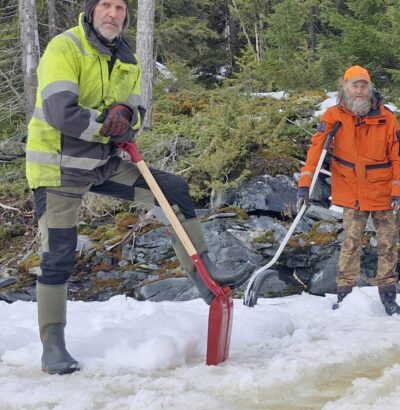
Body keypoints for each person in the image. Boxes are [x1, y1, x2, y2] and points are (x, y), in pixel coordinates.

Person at [25, 0, 251, 374]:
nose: (113, 14)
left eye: (120, 7)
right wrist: (107, 125)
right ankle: (53, 346)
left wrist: (127, 116)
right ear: (91, 10)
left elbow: (136, 114)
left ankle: (207, 278)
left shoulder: (127, 58)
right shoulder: (65, 47)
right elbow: (60, 112)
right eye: (106, 6)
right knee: (58, 255)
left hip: (103, 163)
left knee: (172, 190)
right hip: (58, 167)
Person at [297, 65, 400, 315]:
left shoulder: (387, 118)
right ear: (344, 87)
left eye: (363, 85)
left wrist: (398, 189)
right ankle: (344, 294)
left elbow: (398, 157)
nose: (359, 90)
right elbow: (315, 150)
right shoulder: (333, 117)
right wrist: (304, 185)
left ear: (370, 88)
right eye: (354, 85)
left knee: (388, 245)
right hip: (351, 190)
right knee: (350, 243)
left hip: (383, 191)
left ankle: (388, 295)